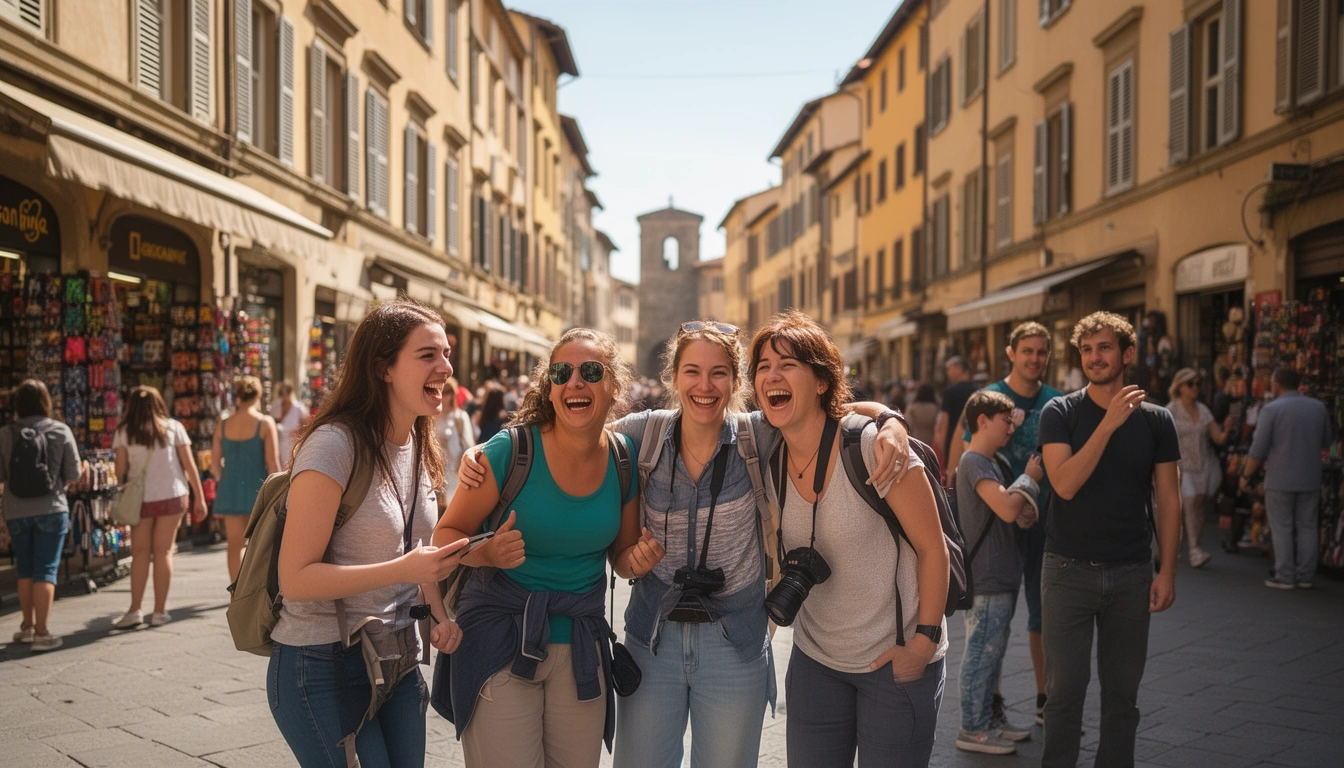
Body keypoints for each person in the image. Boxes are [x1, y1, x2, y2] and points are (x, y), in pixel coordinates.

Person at [455, 322, 912, 768]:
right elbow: (571, 427)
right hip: (652, 642)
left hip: (734, 643)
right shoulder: (640, 435)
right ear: (673, 378)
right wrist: (485, 450)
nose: (704, 386)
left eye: (718, 373)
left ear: (736, 382)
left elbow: (826, 412)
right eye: (692, 371)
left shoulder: (759, 435)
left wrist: (890, 420)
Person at [432, 328, 647, 768]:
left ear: (613, 386)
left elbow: (623, 558)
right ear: (549, 388)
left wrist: (638, 560)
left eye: (591, 372)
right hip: (499, 641)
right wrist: (486, 553)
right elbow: (444, 536)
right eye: (561, 373)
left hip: (581, 649)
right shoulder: (510, 452)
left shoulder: (623, 457)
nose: (575, 382)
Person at [269, 299, 466, 766]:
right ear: (383, 369)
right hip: (322, 664)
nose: (445, 367)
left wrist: (439, 616)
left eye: (445, 353)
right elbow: (295, 579)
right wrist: (403, 569)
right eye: (427, 355)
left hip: (398, 659)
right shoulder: (334, 445)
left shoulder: (418, 441)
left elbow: (417, 550)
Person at [752, 310, 949, 767]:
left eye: (787, 365)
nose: (772, 375)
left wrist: (923, 644)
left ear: (822, 381)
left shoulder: (874, 448)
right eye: (763, 366)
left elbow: (932, 548)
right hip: (816, 662)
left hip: (894, 662)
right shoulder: (766, 452)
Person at [1038, 311, 1181, 768]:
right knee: (1064, 693)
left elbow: (1169, 500)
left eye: (1104, 347)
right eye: (1086, 349)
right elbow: (1064, 484)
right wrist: (1107, 424)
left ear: (1127, 353)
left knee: (1123, 698)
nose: (1094, 357)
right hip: (1066, 571)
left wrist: (1168, 570)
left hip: (1131, 573)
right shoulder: (1060, 412)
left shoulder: (1158, 420)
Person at [947, 321, 1062, 725]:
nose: (1035, 358)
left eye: (1042, 351)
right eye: (1027, 350)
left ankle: (1044, 698)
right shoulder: (990, 399)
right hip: (997, 526)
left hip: (1044, 521)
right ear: (1011, 353)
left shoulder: (1056, 401)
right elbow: (968, 451)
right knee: (993, 625)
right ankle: (988, 709)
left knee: (1043, 614)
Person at [954, 390, 1042, 755]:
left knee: (994, 653)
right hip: (987, 575)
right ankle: (972, 728)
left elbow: (1014, 513)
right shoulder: (973, 461)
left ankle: (990, 720)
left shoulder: (995, 461)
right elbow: (1007, 508)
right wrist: (1029, 479)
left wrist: (1023, 504)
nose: (1011, 428)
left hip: (1003, 572)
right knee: (980, 654)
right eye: (1006, 421)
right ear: (983, 421)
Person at [111, 387, 209, 629]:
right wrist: (200, 497)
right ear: (158, 404)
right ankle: (159, 612)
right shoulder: (174, 428)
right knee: (164, 552)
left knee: (140, 554)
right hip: (172, 496)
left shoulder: (124, 432)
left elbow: (120, 472)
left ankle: (135, 610)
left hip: (140, 500)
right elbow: (189, 465)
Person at [0, 379, 81, 652]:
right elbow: (73, 474)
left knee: (24, 568)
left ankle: (26, 627)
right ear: (46, 402)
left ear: (18, 404)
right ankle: (42, 633)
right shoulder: (60, 430)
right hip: (51, 508)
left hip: (15, 510)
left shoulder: (5, 433)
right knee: (45, 569)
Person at [1240, 367, 1332, 589]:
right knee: (1308, 526)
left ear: (1277, 384)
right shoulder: (1318, 407)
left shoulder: (1272, 410)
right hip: (1310, 476)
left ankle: (1285, 575)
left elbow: (1258, 449)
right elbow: (1326, 441)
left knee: (1282, 526)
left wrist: (1246, 475)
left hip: (1280, 478)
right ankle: (1306, 575)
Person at [210, 376, 281, 582]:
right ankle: (255, 589)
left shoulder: (223, 425)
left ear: (238, 395)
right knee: (260, 545)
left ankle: (236, 589)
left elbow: (214, 464)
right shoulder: (265, 423)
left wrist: (226, 478)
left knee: (234, 545)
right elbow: (272, 462)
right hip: (258, 489)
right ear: (258, 395)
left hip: (230, 487)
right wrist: (279, 492)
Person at [1166, 368, 1233, 569]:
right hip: (1181, 465)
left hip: (1203, 465)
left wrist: (1228, 428)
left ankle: (1184, 544)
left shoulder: (1203, 410)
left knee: (1198, 504)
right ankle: (1194, 549)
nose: (1195, 388)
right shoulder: (1171, 410)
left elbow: (1218, 438)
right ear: (1180, 386)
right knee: (1190, 501)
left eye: (1198, 384)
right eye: (1190, 384)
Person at [435, 377, 475, 510]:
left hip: (454, 471)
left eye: (448, 392)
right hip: (435, 473)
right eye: (442, 391)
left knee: (451, 509)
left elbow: (468, 445)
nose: (444, 396)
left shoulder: (460, 417)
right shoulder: (430, 416)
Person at [935, 356, 975, 466]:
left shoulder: (950, 392)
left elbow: (944, 421)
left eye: (949, 369)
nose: (947, 373)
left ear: (958, 369)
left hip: (952, 440)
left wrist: (943, 447)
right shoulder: (976, 390)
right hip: (972, 440)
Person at [268, 380, 309, 467]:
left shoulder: (298, 408)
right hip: (278, 442)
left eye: (286, 392)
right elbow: (272, 421)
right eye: (282, 393)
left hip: (292, 443)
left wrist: (299, 435)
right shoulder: (276, 406)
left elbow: (307, 423)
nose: (284, 395)